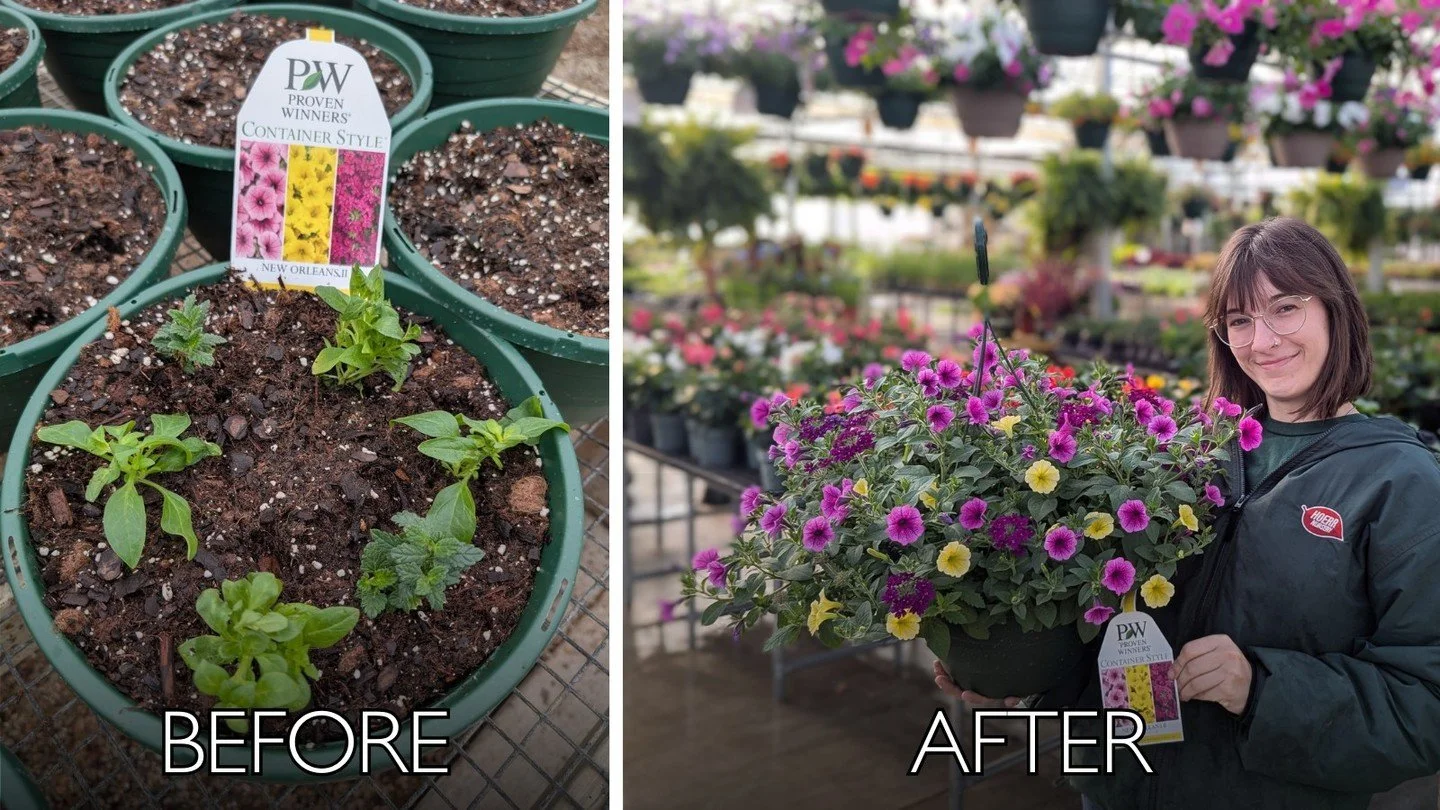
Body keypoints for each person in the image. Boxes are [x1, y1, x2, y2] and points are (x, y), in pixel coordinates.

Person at [935, 217, 1440, 809]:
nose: (1262, 341)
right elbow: (1119, 629)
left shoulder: (1400, 483)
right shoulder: (1190, 457)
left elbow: (1425, 707)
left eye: (1285, 308)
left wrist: (1259, 689)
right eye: (1239, 320)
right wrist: (1026, 677)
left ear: (1336, 308)